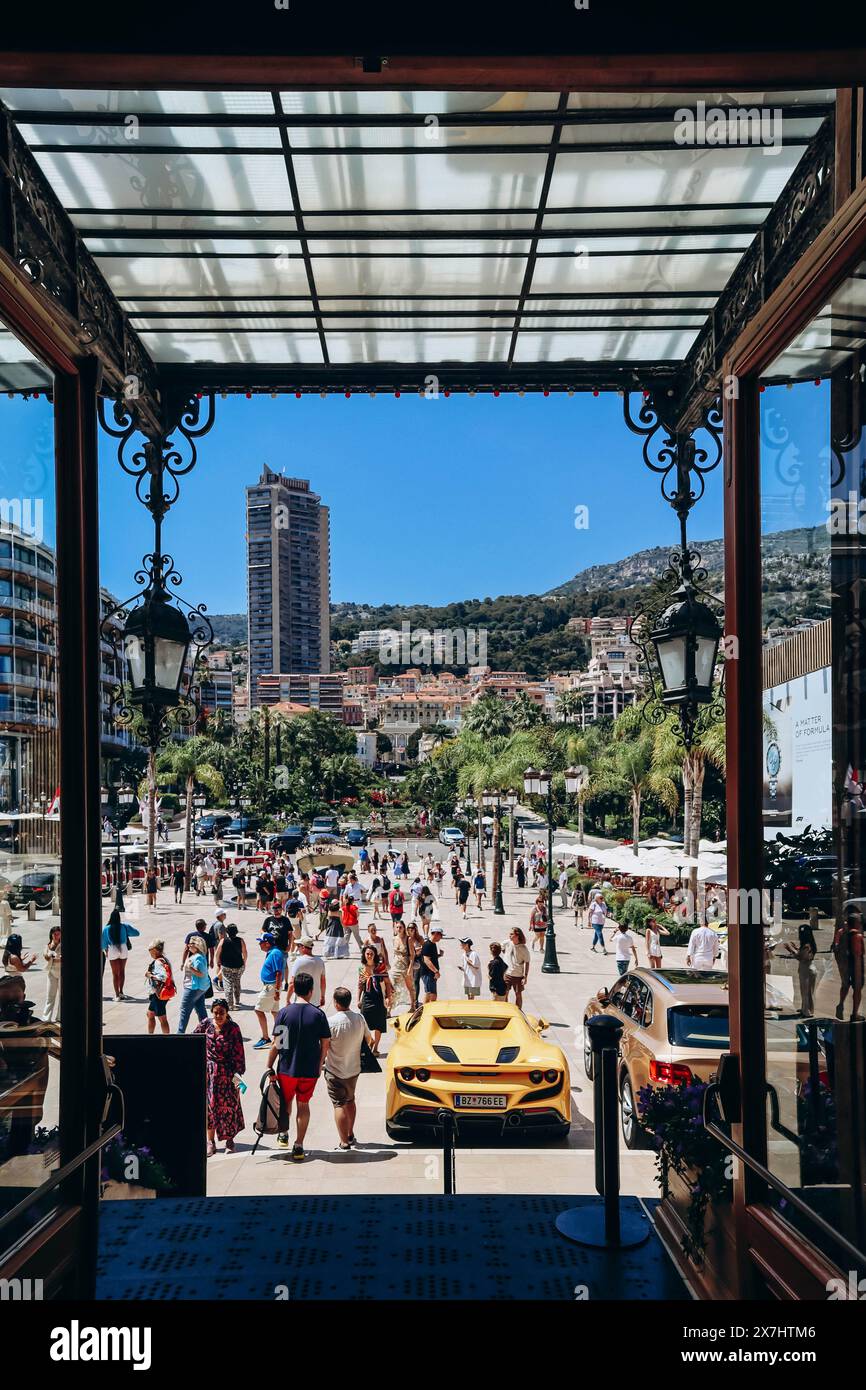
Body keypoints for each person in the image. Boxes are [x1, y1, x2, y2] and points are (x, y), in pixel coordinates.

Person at [266, 971, 331, 1161]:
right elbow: (325, 1042)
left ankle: (284, 1133)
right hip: (309, 1069)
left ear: (294, 990)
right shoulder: (318, 1014)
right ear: (311, 991)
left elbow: (277, 1043)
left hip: (287, 1068)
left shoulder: (284, 1013)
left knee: (287, 1101)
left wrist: (269, 1065)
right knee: (304, 1104)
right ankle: (299, 1144)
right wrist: (320, 1064)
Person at [195, 998, 246, 1155]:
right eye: (216, 1013)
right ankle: (210, 1141)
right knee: (210, 1108)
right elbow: (193, 1040)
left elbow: (239, 1052)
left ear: (227, 1012)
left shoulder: (233, 1028)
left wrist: (238, 1076)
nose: (218, 1016)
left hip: (228, 1073)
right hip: (210, 1074)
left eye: (221, 1013)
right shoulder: (206, 1024)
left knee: (230, 1106)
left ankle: (230, 1140)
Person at [325, 986, 372, 1150]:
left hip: (334, 1070)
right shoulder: (359, 1018)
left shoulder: (331, 1022)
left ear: (336, 1003)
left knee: (339, 1104)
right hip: (353, 1069)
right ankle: (350, 1134)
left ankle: (344, 1141)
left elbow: (324, 1046)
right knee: (351, 1100)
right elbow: (370, 1040)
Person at [358, 943, 392, 1054]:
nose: (369, 956)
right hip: (367, 998)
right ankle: (370, 1041)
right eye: (367, 954)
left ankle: (376, 1047)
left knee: (379, 1024)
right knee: (363, 1024)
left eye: (371, 954)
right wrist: (358, 999)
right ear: (364, 955)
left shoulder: (380, 967)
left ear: (375, 955)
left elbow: (387, 983)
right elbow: (360, 985)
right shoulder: (361, 968)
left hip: (379, 998)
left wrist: (388, 998)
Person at [101, 908, 140, 1001]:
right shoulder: (124, 926)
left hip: (112, 949)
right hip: (123, 948)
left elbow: (103, 943)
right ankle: (121, 991)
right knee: (122, 971)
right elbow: (136, 933)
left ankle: (117, 995)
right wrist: (127, 931)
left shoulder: (106, 928)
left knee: (115, 974)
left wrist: (106, 951)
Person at [253, 932, 284, 1048]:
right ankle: (281, 1037)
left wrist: (276, 991)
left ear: (267, 943)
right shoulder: (273, 952)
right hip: (272, 986)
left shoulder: (275, 953)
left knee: (258, 1010)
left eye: (260, 942)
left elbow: (278, 973)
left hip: (271, 987)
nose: (259, 945)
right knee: (275, 1012)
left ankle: (265, 1038)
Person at [833, 905, 864, 1021]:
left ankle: (841, 1004)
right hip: (855, 966)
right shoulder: (857, 936)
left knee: (845, 985)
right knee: (857, 989)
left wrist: (841, 965)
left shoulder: (842, 932)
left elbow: (836, 946)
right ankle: (854, 1014)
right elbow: (857, 955)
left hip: (844, 964)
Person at [783, 920, 818, 1018]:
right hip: (809, 968)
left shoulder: (806, 946)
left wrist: (791, 951)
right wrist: (796, 949)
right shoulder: (809, 944)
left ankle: (806, 1011)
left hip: (806, 970)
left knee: (805, 992)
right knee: (808, 991)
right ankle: (806, 1008)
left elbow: (802, 958)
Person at [177, 933, 211, 1033]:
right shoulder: (199, 956)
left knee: (184, 1010)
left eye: (191, 943)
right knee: (200, 1009)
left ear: (197, 945)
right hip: (200, 988)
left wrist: (191, 968)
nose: (188, 945)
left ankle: (180, 1033)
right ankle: (207, 1030)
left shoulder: (198, 958)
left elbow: (201, 974)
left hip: (193, 988)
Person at [144, 938, 174, 1034]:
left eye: (151, 952)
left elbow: (163, 977)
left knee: (162, 1018)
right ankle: (150, 1035)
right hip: (159, 993)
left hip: (158, 994)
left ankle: (166, 1038)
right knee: (150, 1014)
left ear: (156, 950)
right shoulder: (165, 960)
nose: (150, 954)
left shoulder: (158, 962)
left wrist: (150, 975)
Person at [288, 937, 326, 1007]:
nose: (297, 949)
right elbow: (323, 981)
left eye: (298, 946)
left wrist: (287, 999)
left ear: (303, 947)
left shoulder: (299, 962)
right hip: (315, 1002)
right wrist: (322, 997)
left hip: (301, 1002)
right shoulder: (320, 961)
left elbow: (292, 983)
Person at [215, 923, 247, 1009]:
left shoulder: (223, 941)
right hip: (239, 965)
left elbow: (217, 953)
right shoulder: (241, 940)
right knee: (237, 982)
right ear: (236, 932)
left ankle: (230, 1004)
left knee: (228, 983)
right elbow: (245, 952)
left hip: (226, 966)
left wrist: (217, 961)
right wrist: (244, 962)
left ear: (227, 932)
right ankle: (237, 1000)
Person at [502, 928, 530, 1006]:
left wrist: (525, 977)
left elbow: (527, 962)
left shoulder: (523, 948)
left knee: (518, 994)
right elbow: (502, 947)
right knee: (505, 993)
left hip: (518, 975)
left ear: (517, 935)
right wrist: (507, 957)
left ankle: (519, 1011)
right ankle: (505, 1010)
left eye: (512, 934)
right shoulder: (507, 943)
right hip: (507, 973)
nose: (509, 935)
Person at [391, 921, 413, 1009]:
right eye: (397, 927)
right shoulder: (394, 938)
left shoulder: (408, 939)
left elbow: (412, 955)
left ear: (404, 928)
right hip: (396, 966)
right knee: (392, 987)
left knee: (410, 988)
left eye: (400, 927)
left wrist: (410, 968)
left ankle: (413, 1006)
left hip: (405, 966)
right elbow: (394, 954)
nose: (399, 929)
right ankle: (389, 1008)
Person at [418, 926, 443, 1002]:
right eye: (440, 935)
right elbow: (426, 960)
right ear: (435, 934)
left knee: (433, 994)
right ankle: (424, 1011)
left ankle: (429, 1010)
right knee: (429, 994)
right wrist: (436, 971)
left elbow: (431, 958)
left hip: (431, 974)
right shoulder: (427, 945)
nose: (441, 937)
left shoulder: (433, 944)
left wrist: (439, 955)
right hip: (428, 974)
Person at [42, 926, 62, 1022]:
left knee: (62, 996)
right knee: (50, 995)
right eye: (54, 934)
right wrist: (49, 955)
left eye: (58, 934)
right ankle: (46, 1018)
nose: (56, 936)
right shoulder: (49, 945)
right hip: (51, 972)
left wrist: (56, 958)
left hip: (62, 972)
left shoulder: (64, 944)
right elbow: (45, 956)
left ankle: (60, 1017)